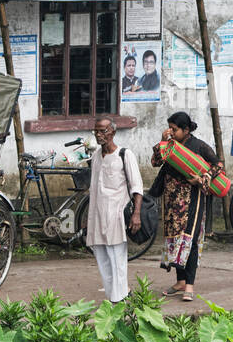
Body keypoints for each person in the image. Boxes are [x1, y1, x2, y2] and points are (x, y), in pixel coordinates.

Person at [152, 112, 220, 301]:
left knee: (189, 239)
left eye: (175, 129)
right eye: (170, 128)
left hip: (192, 199)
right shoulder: (170, 145)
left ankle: (189, 284)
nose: (171, 132)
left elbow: (218, 165)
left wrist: (204, 178)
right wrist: (162, 141)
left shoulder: (198, 146)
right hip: (172, 199)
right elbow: (155, 162)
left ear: (186, 130)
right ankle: (180, 281)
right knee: (175, 239)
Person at [86, 117, 143, 304]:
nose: (99, 135)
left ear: (113, 132)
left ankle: (120, 298)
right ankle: (112, 297)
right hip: (97, 215)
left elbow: (137, 187)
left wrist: (136, 215)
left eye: (103, 131)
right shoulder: (95, 157)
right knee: (102, 259)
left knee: (117, 259)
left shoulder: (125, 155)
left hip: (116, 216)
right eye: (96, 131)